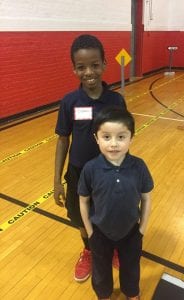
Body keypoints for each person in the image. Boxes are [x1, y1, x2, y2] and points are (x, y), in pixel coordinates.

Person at [54, 34, 126, 282]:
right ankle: (88, 249)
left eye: (95, 65)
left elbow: (124, 138)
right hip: (78, 174)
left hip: (110, 172)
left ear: (105, 64)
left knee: (112, 213)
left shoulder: (116, 100)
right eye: (82, 67)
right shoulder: (70, 102)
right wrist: (56, 181)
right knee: (80, 217)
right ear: (74, 69)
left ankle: (113, 247)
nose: (89, 72)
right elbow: (63, 139)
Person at [78, 106, 154, 300]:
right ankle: (103, 295)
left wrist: (142, 230)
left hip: (130, 232)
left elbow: (146, 198)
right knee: (101, 269)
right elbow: (83, 200)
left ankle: (132, 293)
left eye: (121, 137)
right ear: (96, 138)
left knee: (131, 267)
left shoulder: (139, 166)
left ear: (131, 138)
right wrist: (90, 231)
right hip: (100, 232)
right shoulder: (91, 169)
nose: (113, 144)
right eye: (106, 137)